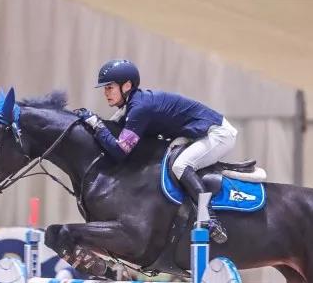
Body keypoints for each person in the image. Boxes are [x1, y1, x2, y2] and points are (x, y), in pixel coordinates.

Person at [80, 59, 237, 243]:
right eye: (105, 88)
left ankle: (210, 219)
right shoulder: (132, 105)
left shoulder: (139, 108)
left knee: (180, 165)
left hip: (218, 134)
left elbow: (120, 151)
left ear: (127, 85)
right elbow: (113, 129)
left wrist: (96, 125)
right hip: (196, 133)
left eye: (110, 87)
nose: (106, 93)